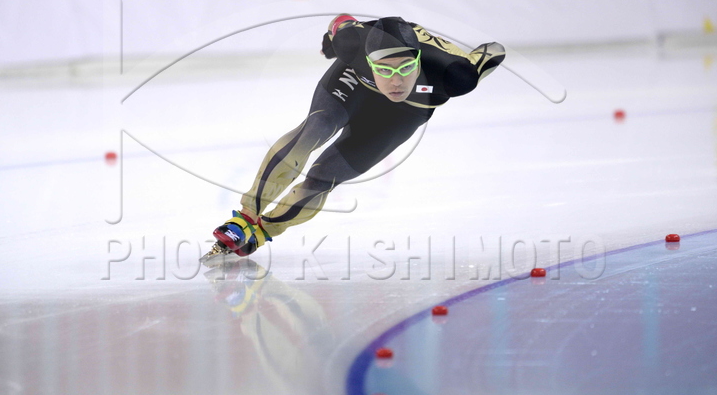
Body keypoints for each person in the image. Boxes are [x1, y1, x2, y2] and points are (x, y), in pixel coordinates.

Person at [200, 15, 505, 261]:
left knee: (324, 177)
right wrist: (330, 39)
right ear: (369, 61)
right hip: (354, 86)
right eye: (385, 69)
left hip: (404, 114)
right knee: (315, 128)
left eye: (406, 68)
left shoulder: (454, 75)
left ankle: (264, 231)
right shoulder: (350, 44)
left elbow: (492, 52)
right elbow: (341, 22)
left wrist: (484, 55)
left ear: (419, 61)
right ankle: (245, 217)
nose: (396, 81)